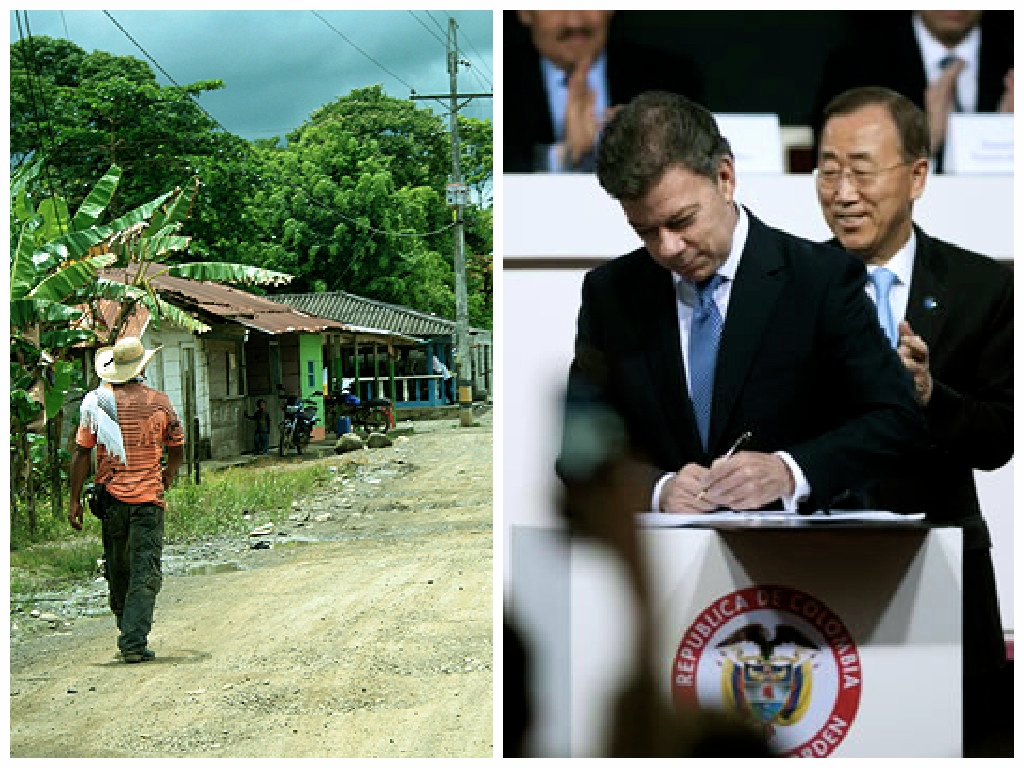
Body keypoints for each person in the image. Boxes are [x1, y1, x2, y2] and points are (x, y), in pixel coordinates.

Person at [558, 90, 926, 518]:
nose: (669, 248)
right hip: (667, 570)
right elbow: (578, 450)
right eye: (645, 231)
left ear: (725, 178)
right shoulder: (611, 294)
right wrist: (659, 490)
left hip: (805, 568)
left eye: (682, 221)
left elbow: (896, 423)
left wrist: (790, 473)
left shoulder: (821, 279)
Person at [814, 86, 1012, 756]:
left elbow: (999, 438)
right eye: (828, 169)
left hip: (945, 576)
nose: (842, 192)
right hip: (818, 582)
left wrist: (931, 393)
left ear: (918, 175)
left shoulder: (983, 286)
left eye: (862, 170)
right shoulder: (791, 284)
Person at [68, 336, 185, 664]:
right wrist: (169, 474)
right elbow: (177, 445)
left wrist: (74, 500)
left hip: (112, 500)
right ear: (142, 366)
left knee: (118, 567)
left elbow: (81, 453)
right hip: (148, 500)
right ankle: (133, 639)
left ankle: (126, 627)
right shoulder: (160, 403)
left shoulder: (97, 402)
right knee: (144, 570)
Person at [811, 10, 1013, 171]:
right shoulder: (856, 65)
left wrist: (1009, 134)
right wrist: (923, 140)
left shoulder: (1010, 56)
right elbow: (833, 161)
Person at [504, 10, 704, 173]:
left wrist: (633, 148)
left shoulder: (670, 79)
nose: (575, 21)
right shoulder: (502, 80)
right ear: (524, 12)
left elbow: (694, 164)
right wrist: (561, 158)